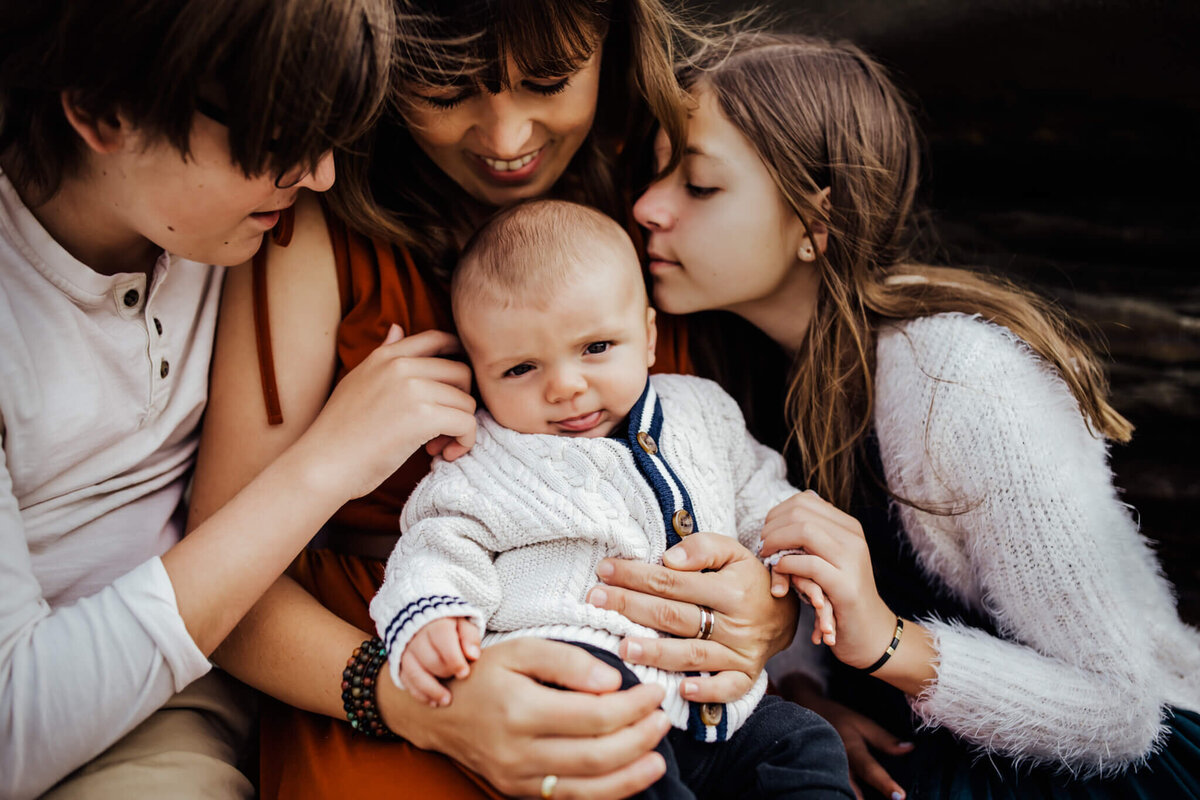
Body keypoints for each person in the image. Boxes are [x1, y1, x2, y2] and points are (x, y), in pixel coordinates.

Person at [186, 3, 803, 799]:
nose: (508, 138)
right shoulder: (316, 225)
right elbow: (220, 582)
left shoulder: (665, 197)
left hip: (681, 689)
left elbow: (746, 474)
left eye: (548, 81)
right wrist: (415, 702)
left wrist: (771, 615)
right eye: (445, 91)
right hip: (386, 660)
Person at [633, 31, 1200, 800]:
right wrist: (805, 698)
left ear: (814, 221)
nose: (646, 207)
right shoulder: (740, 372)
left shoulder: (959, 378)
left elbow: (1121, 710)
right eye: (654, 174)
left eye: (698, 185)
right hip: (912, 762)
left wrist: (883, 642)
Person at [0, 1, 399, 798]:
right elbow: (12, 727)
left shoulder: (232, 220)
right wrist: (322, 467)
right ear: (101, 111)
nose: (319, 173)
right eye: (280, 139)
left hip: (202, 678)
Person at [371, 199, 851, 799]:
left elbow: (761, 495)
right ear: (477, 373)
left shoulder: (703, 409)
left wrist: (787, 557)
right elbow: (436, 542)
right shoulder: (481, 456)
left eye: (596, 347)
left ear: (648, 337)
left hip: (722, 708)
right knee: (616, 756)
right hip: (582, 677)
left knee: (802, 742)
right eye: (520, 368)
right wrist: (432, 613)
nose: (566, 385)